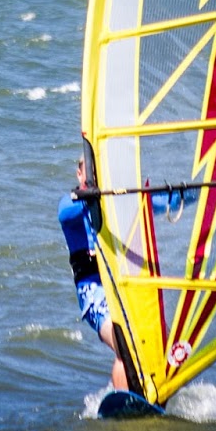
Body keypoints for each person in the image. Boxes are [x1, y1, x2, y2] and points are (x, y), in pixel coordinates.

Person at [57, 157, 128, 392]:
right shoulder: (70, 204)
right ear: (79, 174)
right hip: (93, 291)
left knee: (163, 343)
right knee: (123, 343)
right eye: (90, 170)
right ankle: (124, 398)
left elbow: (154, 202)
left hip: (125, 290)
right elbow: (66, 214)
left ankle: (144, 393)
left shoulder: (117, 201)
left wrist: (185, 194)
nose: (96, 175)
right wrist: (95, 196)